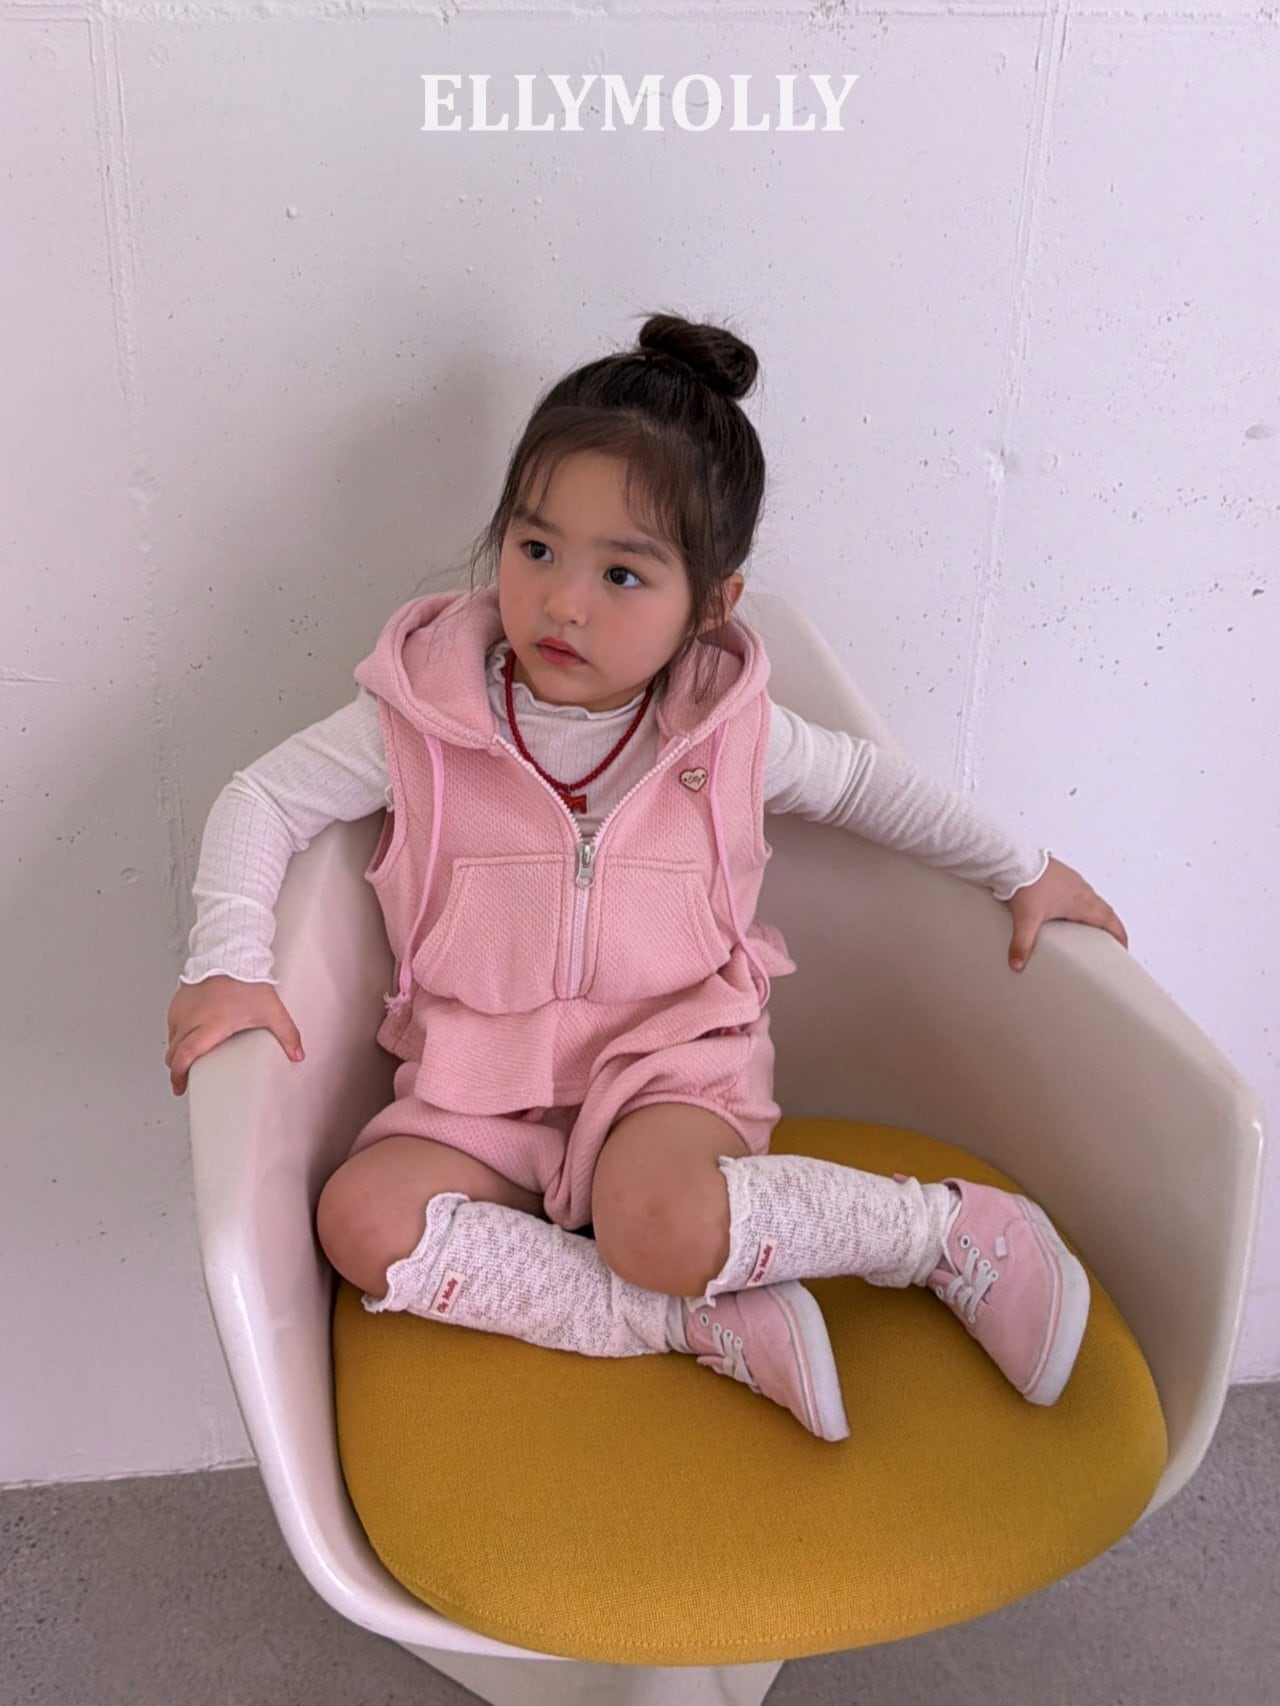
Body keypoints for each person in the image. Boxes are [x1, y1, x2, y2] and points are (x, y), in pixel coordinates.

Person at [166, 311, 1130, 1444]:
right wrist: (226, 965)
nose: (564, 602)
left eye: (622, 572)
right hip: (477, 1085)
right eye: (535, 550)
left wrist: (1022, 868)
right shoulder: (419, 719)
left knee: (657, 1221)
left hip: (669, 1068)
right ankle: (682, 1322)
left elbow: (873, 786)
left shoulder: (731, 734)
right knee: (360, 1220)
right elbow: (262, 798)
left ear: (708, 605)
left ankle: (942, 1233)